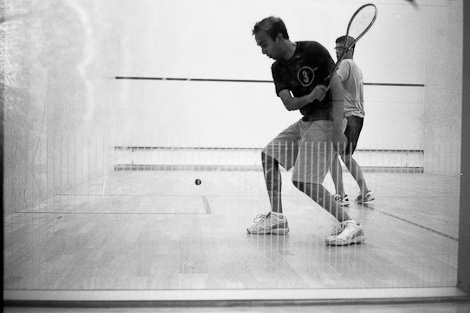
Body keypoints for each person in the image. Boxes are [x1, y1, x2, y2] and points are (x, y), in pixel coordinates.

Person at [247, 16, 364, 246]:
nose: (263, 51)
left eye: (264, 44)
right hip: (306, 121)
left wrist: (338, 130)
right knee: (269, 155)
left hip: (328, 120)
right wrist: (310, 96)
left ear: (279, 37)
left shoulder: (313, 50)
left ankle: (351, 225)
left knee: (303, 181)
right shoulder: (277, 68)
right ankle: (278, 218)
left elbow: (337, 90)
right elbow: (289, 104)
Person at [330, 35, 375, 206]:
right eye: (336, 48)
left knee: (332, 155)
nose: (337, 52)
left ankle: (340, 194)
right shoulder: (356, 67)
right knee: (346, 156)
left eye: (340, 48)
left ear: (351, 49)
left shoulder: (345, 64)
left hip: (348, 117)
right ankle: (365, 191)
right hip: (358, 117)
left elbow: (333, 83)